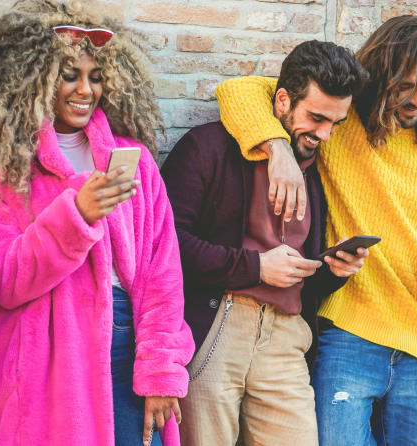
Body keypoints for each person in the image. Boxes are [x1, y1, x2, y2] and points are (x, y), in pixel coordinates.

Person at [215, 15, 417, 446]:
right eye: (406, 86)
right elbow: (237, 91)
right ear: (384, 74)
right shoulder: (340, 126)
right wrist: (277, 149)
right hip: (349, 334)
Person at [0, 3, 194, 446]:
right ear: (35, 77)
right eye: (70, 75)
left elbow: (161, 274)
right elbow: (2, 278)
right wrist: (76, 217)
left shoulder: (136, 162)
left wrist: (162, 371)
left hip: (126, 346)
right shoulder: (5, 168)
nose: (85, 90)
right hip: (41, 356)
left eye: (94, 76)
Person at [161, 40, 369, 445]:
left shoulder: (316, 170)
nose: (325, 134)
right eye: (316, 118)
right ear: (282, 101)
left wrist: (332, 272)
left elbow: (302, 281)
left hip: (286, 337)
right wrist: (255, 268)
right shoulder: (207, 148)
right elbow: (168, 247)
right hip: (217, 325)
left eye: (335, 123)